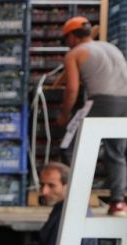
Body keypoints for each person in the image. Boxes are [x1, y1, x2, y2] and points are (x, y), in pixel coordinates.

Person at [57, 17, 127, 216]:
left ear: (72, 36)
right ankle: (118, 202)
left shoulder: (75, 53)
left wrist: (64, 114)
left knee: (69, 146)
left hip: (101, 101)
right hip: (125, 103)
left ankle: (78, 197)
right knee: (116, 152)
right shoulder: (111, 48)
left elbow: (72, 90)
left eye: (66, 39)